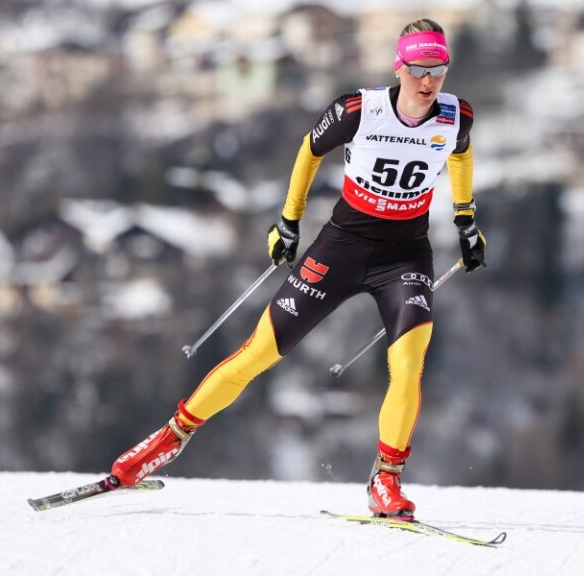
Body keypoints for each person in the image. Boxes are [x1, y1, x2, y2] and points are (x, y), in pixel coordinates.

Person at [111, 17, 486, 519]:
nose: (428, 80)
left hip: (406, 256)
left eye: (437, 69)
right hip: (341, 249)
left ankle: (386, 480)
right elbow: (310, 151)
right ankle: (164, 442)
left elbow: (460, 153)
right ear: (398, 67)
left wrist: (465, 220)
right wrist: (288, 222)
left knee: (408, 366)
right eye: (418, 68)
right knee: (258, 354)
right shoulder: (359, 110)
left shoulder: (456, 114)